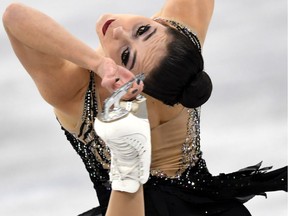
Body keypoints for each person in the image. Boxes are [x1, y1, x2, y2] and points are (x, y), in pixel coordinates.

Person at [3, 1, 287, 216]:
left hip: (132, 206)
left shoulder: (76, 92)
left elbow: (14, 16)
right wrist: (105, 63)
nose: (118, 31)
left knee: (128, 167)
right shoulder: (178, 48)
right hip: (207, 203)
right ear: (170, 27)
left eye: (126, 56)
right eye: (143, 30)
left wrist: (98, 64)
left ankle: (128, 159)